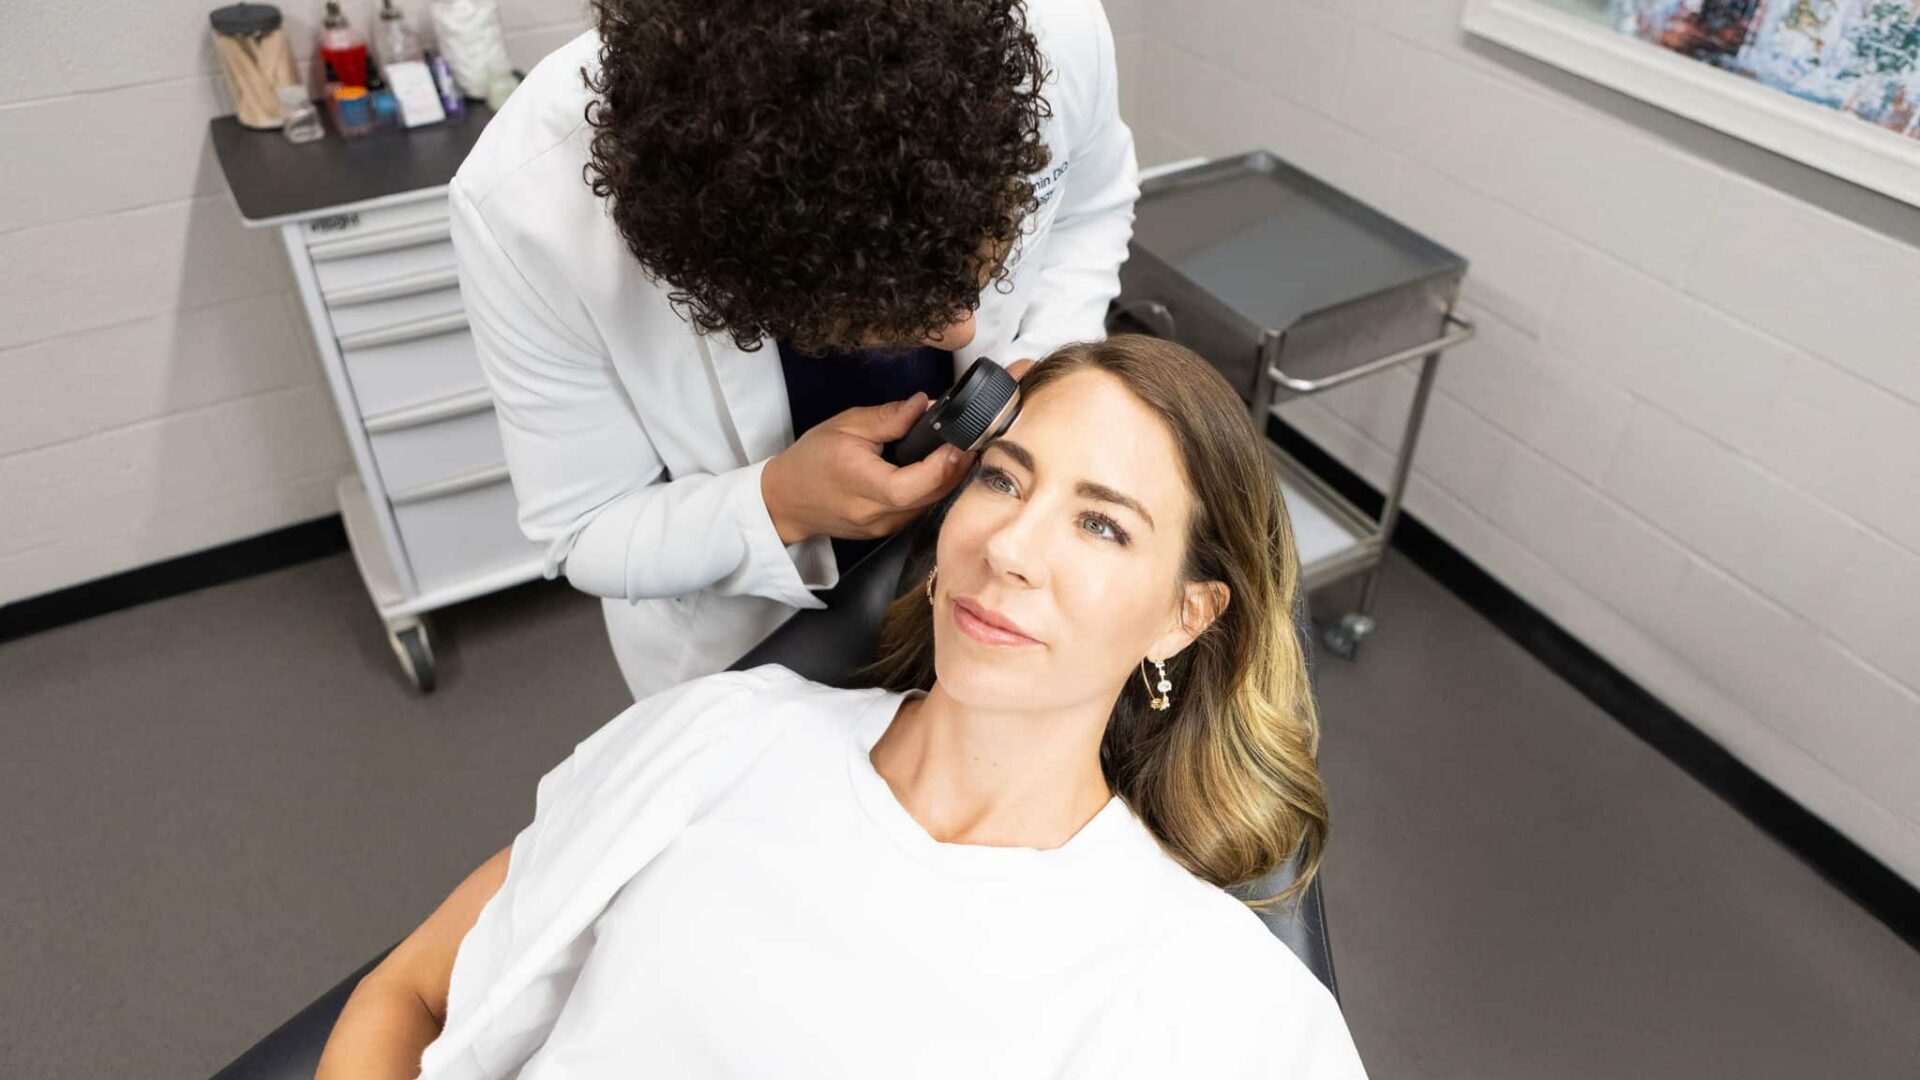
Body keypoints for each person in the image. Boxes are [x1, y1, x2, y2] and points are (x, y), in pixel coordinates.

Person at [315, 337, 1367, 1079]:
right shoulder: (726, 736)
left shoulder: (1207, 991)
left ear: (1186, 615)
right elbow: (410, 994)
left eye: (1102, 526)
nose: (1010, 547)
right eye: (1004, 481)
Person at [451, 0, 1139, 699]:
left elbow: (1092, 207)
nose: (966, 328)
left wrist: (1048, 358)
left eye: (978, 269)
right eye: (893, 315)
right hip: (752, 641)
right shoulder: (527, 204)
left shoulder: (1051, 31)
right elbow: (583, 530)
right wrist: (780, 503)